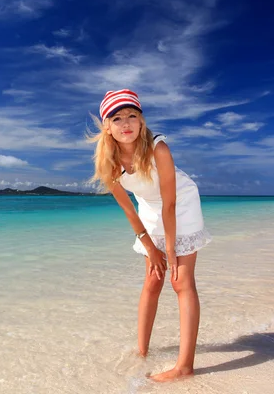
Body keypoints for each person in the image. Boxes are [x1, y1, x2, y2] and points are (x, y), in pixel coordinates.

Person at [88, 89, 212, 382]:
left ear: (142, 121)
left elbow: (170, 204)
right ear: (107, 126)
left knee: (181, 281)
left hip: (180, 204)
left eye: (132, 116)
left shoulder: (158, 149)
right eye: (117, 118)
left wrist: (169, 250)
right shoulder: (108, 162)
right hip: (149, 208)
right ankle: (141, 351)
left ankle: (184, 367)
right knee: (152, 280)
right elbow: (130, 211)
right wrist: (150, 247)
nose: (126, 123)